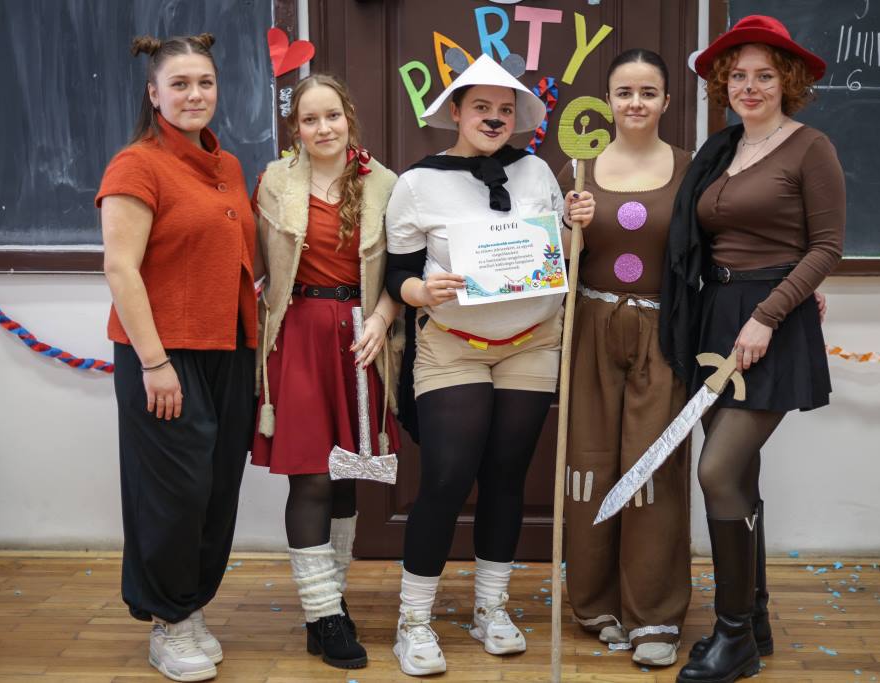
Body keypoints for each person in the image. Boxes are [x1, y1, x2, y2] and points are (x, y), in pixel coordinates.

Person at [384, 54, 594, 676]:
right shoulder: (417, 184)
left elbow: (559, 253)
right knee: (447, 477)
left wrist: (574, 224)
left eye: (505, 109)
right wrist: (421, 291)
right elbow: (397, 274)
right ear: (456, 112)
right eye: (482, 107)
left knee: (506, 476)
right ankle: (413, 620)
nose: (495, 118)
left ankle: (490, 608)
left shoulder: (537, 172)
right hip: (452, 344)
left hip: (533, 342)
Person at [660, 15, 845, 683]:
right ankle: (755, 619)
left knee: (716, 470)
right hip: (718, 319)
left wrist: (769, 314)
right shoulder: (722, 149)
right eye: (738, 75)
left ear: (787, 80)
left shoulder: (810, 148)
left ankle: (733, 634)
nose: (750, 86)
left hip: (771, 324)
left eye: (765, 75)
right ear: (724, 84)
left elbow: (827, 247)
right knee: (739, 475)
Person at [97, 33, 257, 682]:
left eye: (205, 82)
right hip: (164, 355)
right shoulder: (135, 165)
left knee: (217, 488)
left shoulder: (229, 165)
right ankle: (168, 619)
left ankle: (191, 606)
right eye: (181, 84)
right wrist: (155, 362)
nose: (195, 95)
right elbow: (120, 268)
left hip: (230, 350)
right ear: (154, 92)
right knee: (174, 493)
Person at [250, 73, 402, 670]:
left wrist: (383, 319)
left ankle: (327, 609)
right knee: (311, 476)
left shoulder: (385, 183)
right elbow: (255, 264)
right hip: (300, 334)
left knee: (344, 476)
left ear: (349, 117)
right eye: (309, 119)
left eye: (331, 116)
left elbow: (402, 268)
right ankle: (324, 614)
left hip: (360, 337)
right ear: (296, 128)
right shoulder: (274, 181)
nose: (323, 128)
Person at [556, 48, 693, 668]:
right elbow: (549, 263)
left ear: (666, 100)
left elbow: (717, 248)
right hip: (592, 324)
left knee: (652, 466)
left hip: (663, 331)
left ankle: (654, 615)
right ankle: (595, 604)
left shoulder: (692, 169)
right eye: (624, 92)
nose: (635, 103)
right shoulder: (577, 170)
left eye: (647, 92)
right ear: (607, 100)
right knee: (588, 463)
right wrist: (570, 227)